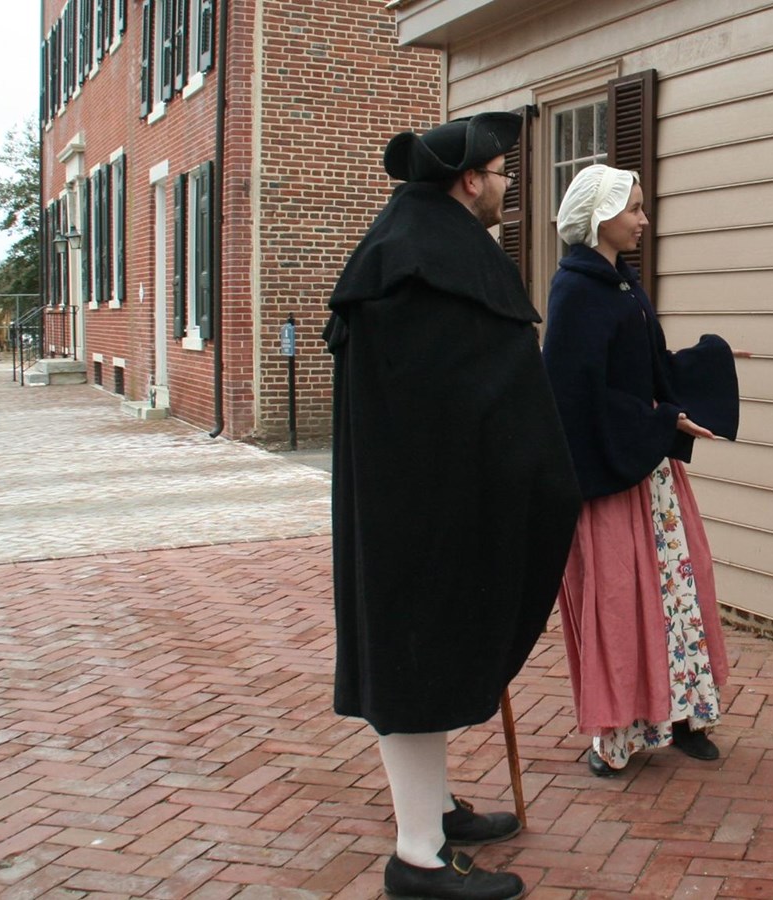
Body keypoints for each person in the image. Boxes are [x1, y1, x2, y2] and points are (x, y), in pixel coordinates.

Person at [324, 112, 582, 900]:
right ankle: (418, 860)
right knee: (414, 662)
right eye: (502, 173)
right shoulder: (434, 259)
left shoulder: (403, 245)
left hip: (412, 500)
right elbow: (469, 391)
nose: (508, 185)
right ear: (469, 181)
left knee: (422, 654)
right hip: (425, 507)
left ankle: (432, 811)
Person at [541, 164, 743, 778]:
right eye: (634, 208)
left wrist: (711, 363)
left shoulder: (623, 284)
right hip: (610, 477)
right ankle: (619, 735)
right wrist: (663, 419)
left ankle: (683, 713)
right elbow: (577, 396)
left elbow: (649, 369)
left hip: (649, 472)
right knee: (621, 603)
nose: (643, 220)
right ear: (601, 218)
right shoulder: (575, 292)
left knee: (679, 591)